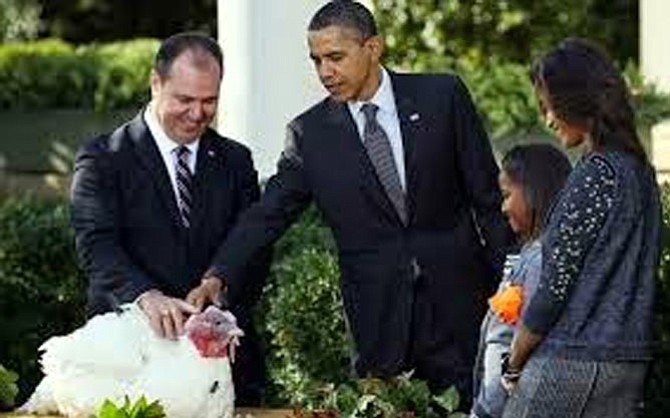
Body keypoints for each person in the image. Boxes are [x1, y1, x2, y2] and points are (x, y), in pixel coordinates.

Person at [205, 1, 512, 404]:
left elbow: (488, 200)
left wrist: (513, 287)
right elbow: (268, 213)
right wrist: (219, 273)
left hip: (459, 310)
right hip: (380, 326)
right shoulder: (309, 134)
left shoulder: (442, 96)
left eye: (335, 57)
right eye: (316, 60)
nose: (324, 72)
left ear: (373, 48)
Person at [70, 32, 270, 406]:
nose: (197, 114)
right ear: (155, 83)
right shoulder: (103, 159)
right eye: (185, 99)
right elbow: (96, 245)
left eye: (209, 101)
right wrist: (145, 296)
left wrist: (220, 284)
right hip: (131, 367)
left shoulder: (236, 161)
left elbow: (253, 247)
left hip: (222, 376)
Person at [501, 38, 662, 418]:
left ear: (575, 99)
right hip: (627, 364)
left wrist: (514, 362)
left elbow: (555, 287)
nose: (547, 118)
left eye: (548, 105)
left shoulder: (594, 174)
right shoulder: (640, 173)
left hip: (572, 362)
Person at [470, 144, 571, 418]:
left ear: (533, 192)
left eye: (506, 195)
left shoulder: (541, 259)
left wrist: (486, 408)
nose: (502, 207)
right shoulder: (529, 253)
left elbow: (513, 340)